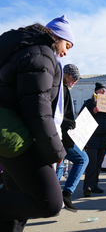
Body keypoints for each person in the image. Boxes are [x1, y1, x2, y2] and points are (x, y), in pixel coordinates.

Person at [0, 16, 74, 231]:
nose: (66, 52)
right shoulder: (41, 54)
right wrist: (56, 152)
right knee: (49, 203)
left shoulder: (21, 48)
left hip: (10, 131)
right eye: (66, 45)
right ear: (56, 37)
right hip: (18, 136)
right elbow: (38, 110)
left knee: (16, 205)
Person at [55, 64, 89, 212]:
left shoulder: (61, 89)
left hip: (61, 135)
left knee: (58, 168)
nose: (74, 81)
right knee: (82, 159)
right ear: (65, 74)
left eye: (76, 79)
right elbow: (57, 115)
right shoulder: (60, 89)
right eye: (73, 78)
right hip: (61, 136)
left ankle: (53, 197)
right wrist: (70, 122)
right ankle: (65, 194)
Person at [80, 82, 106, 197]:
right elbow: (82, 116)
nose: (104, 92)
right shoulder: (90, 102)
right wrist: (93, 112)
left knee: (98, 164)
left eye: (105, 90)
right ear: (96, 91)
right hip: (93, 137)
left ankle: (95, 185)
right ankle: (87, 186)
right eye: (102, 90)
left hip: (105, 137)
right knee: (91, 163)